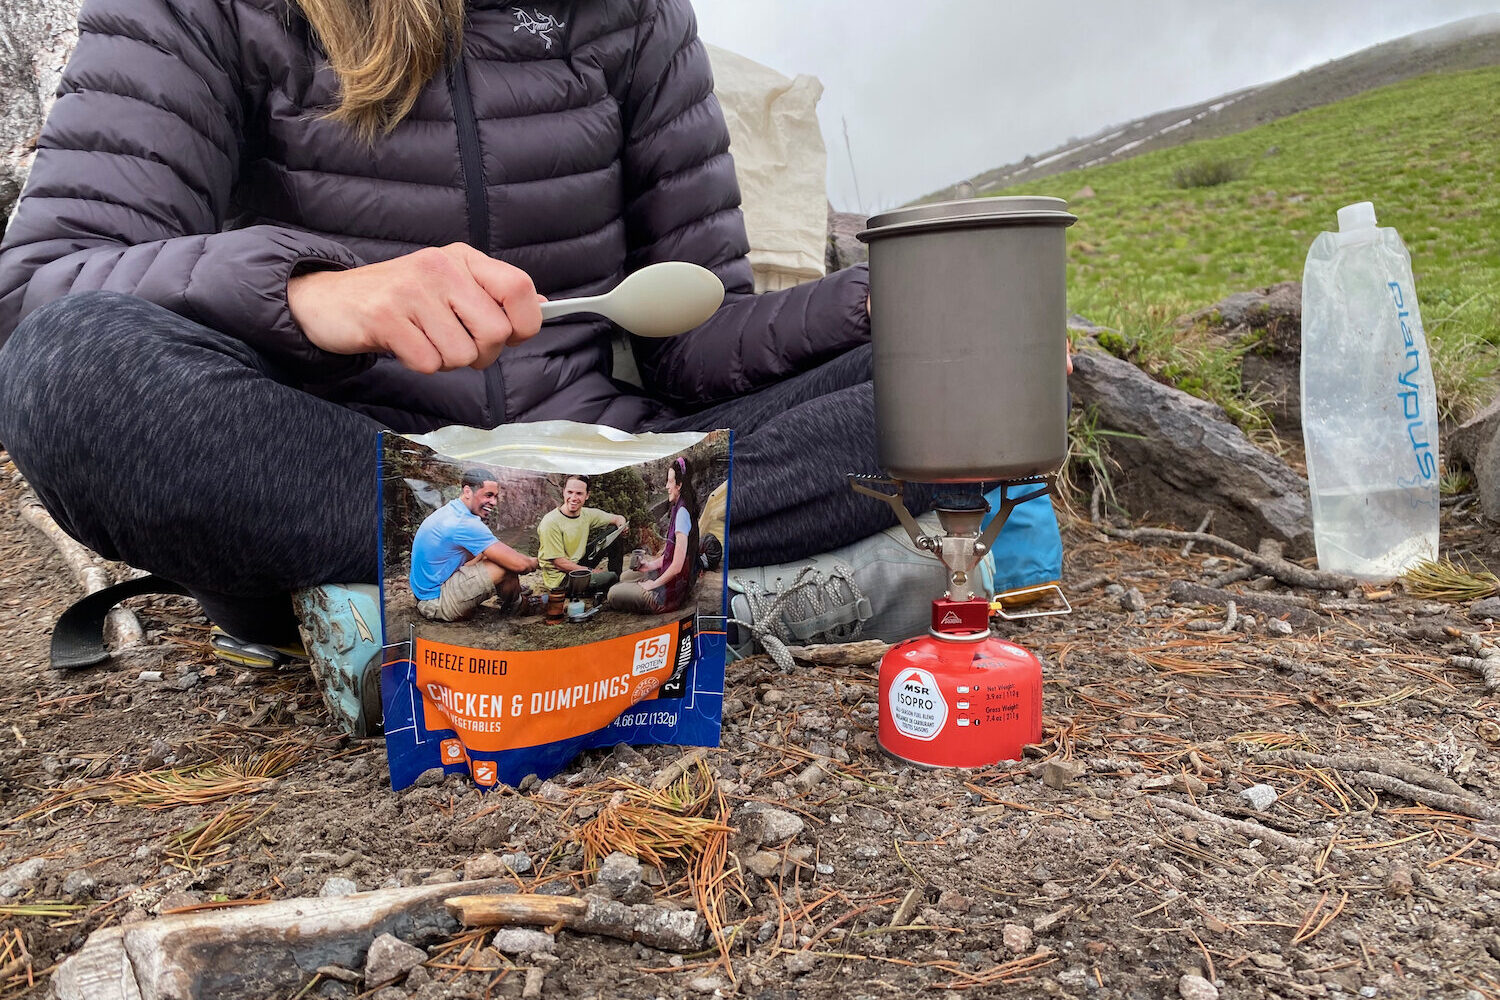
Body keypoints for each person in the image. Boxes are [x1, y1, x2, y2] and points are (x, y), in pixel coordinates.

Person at [409, 470, 537, 622]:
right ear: (468, 491)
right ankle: (518, 605)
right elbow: (520, 565)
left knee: (492, 554)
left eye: (495, 496)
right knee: (505, 566)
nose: (494, 502)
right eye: (488, 495)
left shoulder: (452, 511)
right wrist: (543, 561)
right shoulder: (464, 523)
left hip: (426, 593)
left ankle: (510, 592)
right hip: (435, 603)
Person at [608, 456, 698, 614]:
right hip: (673, 579)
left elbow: (677, 566)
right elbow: (673, 555)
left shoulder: (683, 513)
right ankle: (645, 582)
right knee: (625, 577)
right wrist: (650, 565)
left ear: (680, 484)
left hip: (671, 595)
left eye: (670, 481)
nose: (666, 486)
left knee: (613, 593)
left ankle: (651, 596)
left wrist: (653, 584)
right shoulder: (680, 506)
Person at [536, 476, 627, 593]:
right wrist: (590, 570)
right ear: (563, 492)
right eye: (570, 492)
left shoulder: (586, 514)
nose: (573, 498)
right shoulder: (550, 522)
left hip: (578, 563)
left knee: (615, 532)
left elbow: (617, 518)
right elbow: (559, 563)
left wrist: (622, 526)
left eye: (579, 493)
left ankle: (616, 580)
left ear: (587, 495)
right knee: (610, 577)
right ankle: (612, 582)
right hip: (562, 579)